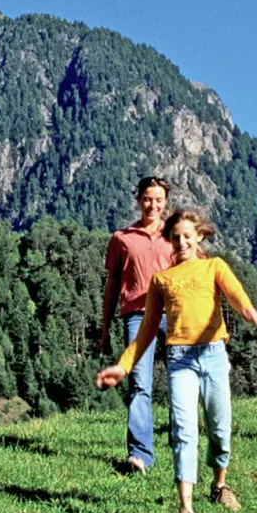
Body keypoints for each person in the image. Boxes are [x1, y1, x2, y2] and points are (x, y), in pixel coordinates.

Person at [96, 208, 257, 513]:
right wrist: (123, 366)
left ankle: (219, 485)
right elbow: (145, 331)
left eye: (187, 236)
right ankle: (186, 509)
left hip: (213, 356)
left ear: (199, 236)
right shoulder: (162, 280)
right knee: (184, 431)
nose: (182, 242)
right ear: (169, 241)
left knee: (220, 429)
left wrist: (246, 309)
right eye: (175, 237)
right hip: (180, 360)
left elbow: (234, 291)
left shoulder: (214, 266)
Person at [99, 177, 177, 473]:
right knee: (139, 384)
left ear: (165, 202)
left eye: (158, 200)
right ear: (138, 200)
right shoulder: (122, 238)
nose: (152, 205)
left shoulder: (175, 236)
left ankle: (181, 442)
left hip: (173, 315)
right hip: (136, 315)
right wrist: (105, 327)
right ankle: (140, 455)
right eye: (147, 199)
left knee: (179, 381)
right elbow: (112, 285)